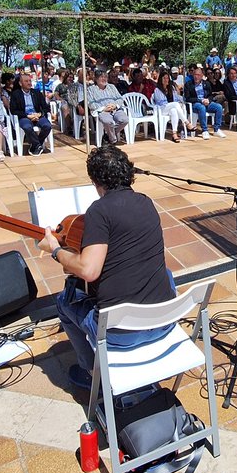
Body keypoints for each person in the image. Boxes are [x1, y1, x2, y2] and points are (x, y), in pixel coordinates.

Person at [39, 145, 177, 392]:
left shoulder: (99, 210)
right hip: (164, 321)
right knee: (164, 274)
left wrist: (56, 250)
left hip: (122, 333)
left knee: (64, 302)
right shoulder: (146, 202)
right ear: (128, 173)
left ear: (95, 181)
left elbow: (89, 270)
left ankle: (92, 373)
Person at [9, 71, 52, 155]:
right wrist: (28, 116)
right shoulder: (16, 94)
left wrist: (39, 114)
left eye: (30, 81)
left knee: (47, 126)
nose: (29, 83)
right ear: (20, 83)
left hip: (37, 115)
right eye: (26, 81)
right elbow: (13, 110)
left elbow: (46, 107)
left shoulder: (36, 93)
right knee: (27, 127)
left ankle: (36, 145)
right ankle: (37, 145)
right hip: (24, 117)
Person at [86, 69, 129, 144]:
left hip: (115, 109)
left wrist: (115, 105)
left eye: (105, 77)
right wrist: (104, 108)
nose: (104, 79)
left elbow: (120, 98)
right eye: (101, 77)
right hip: (102, 111)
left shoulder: (111, 87)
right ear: (96, 79)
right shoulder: (90, 89)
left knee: (124, 120)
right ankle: (112, 140)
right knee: (108, 122)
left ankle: (108, 136)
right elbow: (90, 103)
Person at [152, 70, 195, 142]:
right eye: (164, 78)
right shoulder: (157, 90)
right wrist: (173, 104)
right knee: (175, 104)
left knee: (174, 110)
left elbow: (177, 97)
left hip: (170, 108)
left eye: (167, 78)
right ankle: (187, 123)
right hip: (162, 109)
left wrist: (183, 100)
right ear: (160, 79)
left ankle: (174, 134)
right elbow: (161, 103)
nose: (166, 80)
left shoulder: (171, 88)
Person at [184, 67, 225, 137]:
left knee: (219, 107)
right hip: (195, 104)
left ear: (202, 76)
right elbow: (188, 98)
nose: (196, 77)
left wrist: (208, 100)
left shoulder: (206, 83)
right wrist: (200, 100)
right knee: (201, 107)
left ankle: (217, 129)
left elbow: (210, 95)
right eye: (195, 75)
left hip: (206, 102)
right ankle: (205, 130)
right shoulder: (188, 84)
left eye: (198, 75)